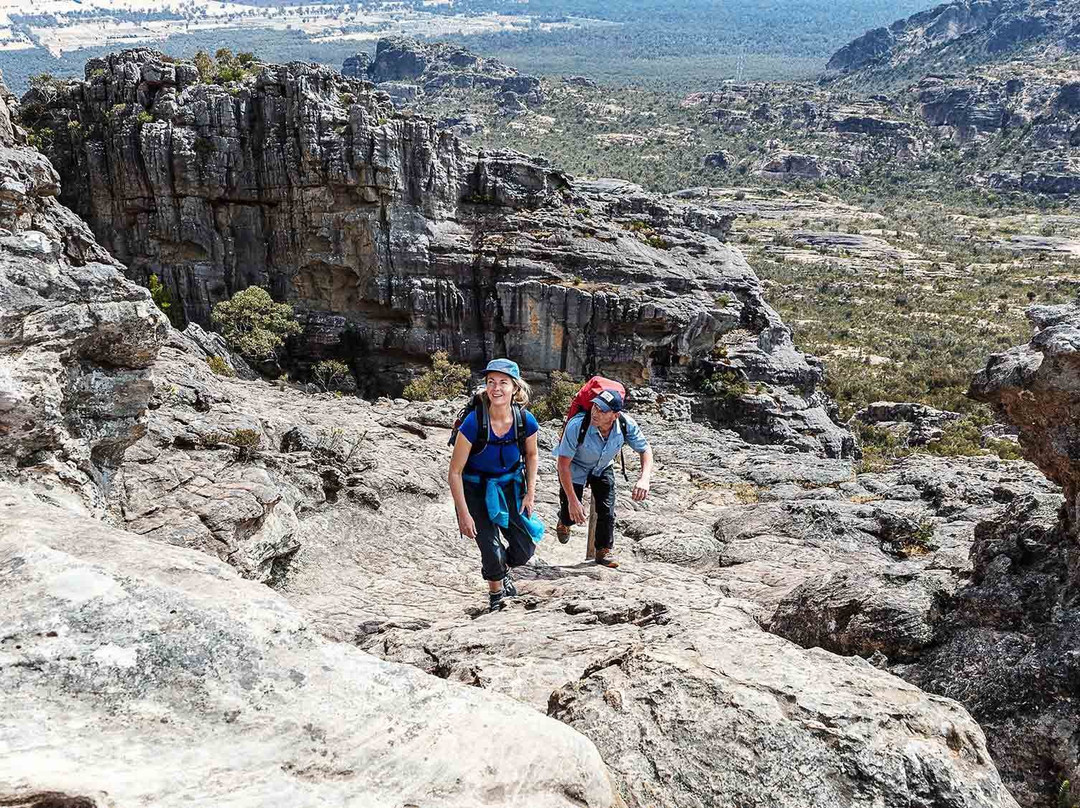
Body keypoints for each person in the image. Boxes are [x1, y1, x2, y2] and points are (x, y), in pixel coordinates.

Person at [448, 358, 543, 612]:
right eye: (491, 382)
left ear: (515, 387)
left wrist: (530, 493)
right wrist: (464, 514)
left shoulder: (525, 421)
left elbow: (532, 455)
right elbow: (455, 472)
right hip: (475, 489)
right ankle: (496, 594)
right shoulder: (473, 423)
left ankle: (502, 569)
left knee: (524, 548)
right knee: (490, 548)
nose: (496, 388)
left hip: (510, 487)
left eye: (503, 382)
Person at [554, 388, 652, 568]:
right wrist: (573, 501)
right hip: (576, 466)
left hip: (603, 466)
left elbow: (645, 449)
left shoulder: (625, 424)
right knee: (570, 513)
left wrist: (644, 478)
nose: (595, 413)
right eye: (595, 407)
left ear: (615, 415)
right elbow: (563, 464)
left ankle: (603, 550)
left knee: (607, 510)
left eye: (602, 411)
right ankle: (564, 521)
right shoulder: (577, 425)